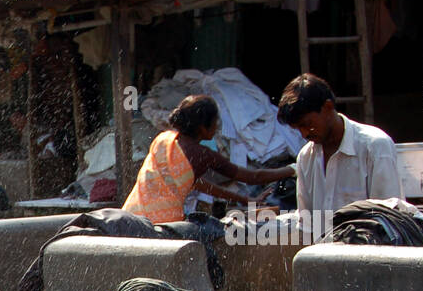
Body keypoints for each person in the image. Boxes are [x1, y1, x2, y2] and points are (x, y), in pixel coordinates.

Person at [123, 94, 294, 224]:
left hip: (131, 216)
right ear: (203, 128)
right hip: (162, 225)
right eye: (215, 122)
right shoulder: (202, 155)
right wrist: (294, 168)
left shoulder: (163, 138)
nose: (218, 126)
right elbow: (253, 177)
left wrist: (246, 200)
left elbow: (196, 184)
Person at [276, 73, 403, 239]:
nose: (304, 133)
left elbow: (389, 221)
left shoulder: (375, 146)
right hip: (322, 258)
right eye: (298, 129)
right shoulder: (306, 157)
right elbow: (307, 226)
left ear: (328, 107)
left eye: (308, 124)